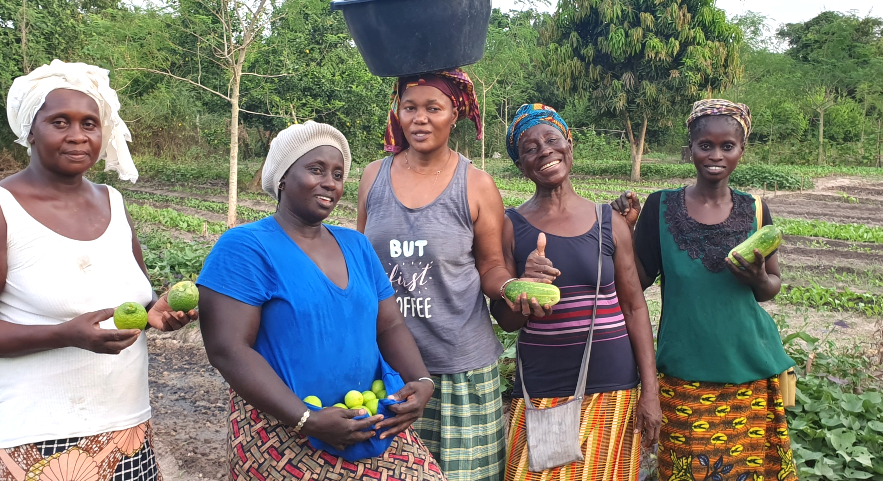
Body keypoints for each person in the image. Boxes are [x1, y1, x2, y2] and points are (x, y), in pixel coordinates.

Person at [0, 60, 197, 481]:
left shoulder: (112, 202)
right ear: (31, 130)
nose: (78, 135)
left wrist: (155, 312)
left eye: (90, 123)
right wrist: (63, 335)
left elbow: (132, 303)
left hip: (127, 427)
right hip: (44, 437)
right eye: (60, 122)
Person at [196, 121, 446, 481]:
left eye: (338, 173)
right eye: (316, 169)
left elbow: (389, 324)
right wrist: (306, 419)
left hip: (368, 420)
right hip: (283, 428)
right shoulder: (246, 247)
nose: (331, 182)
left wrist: (421, 380)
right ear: (282, 177)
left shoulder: (356, 246)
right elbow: (227, 349)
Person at [357, 70, 550, 481]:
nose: (419, 118)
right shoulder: (373, 177)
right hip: (387, 369)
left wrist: (511, 286)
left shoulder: (477, 185)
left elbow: (491, 266)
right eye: (410, 107)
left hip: (460, 370)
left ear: (455, 114)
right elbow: (359, 265)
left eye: (433, 108)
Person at [612, 99, 797, 481]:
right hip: (684, 373)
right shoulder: (661, 207)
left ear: (741, 151)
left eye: (727, 146)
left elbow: (771, 287)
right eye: (705, 145)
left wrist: (758, 278)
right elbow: (636, 283)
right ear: (690, 148)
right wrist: (621, 231)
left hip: (748, 370)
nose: (715, 155)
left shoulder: (757, 210)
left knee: (748, 471)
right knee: (684, 471)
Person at [491, 104, 661, 481]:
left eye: (552, 139)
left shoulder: (609, 221)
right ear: (521, 165)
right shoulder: (510, 226)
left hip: (612, 384)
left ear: (570, 144)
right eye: (530, 148)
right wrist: (525, 290)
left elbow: (635, 308)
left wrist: (650, 392)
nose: (544, 150)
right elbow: (504, 320)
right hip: (541, 385)